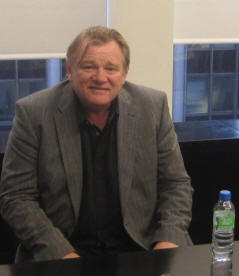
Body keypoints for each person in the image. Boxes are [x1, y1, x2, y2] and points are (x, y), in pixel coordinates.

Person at [0, 26, 193, 262]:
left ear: (124, 73)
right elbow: (16, 197)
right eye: (89, 66)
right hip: (61, 254)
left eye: (111, 68)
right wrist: (61, 253)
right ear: (70, 70)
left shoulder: (152, 107)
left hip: (140, 249)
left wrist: (168, 240)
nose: (100, 77)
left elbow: (175, 184)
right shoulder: (33, 114)